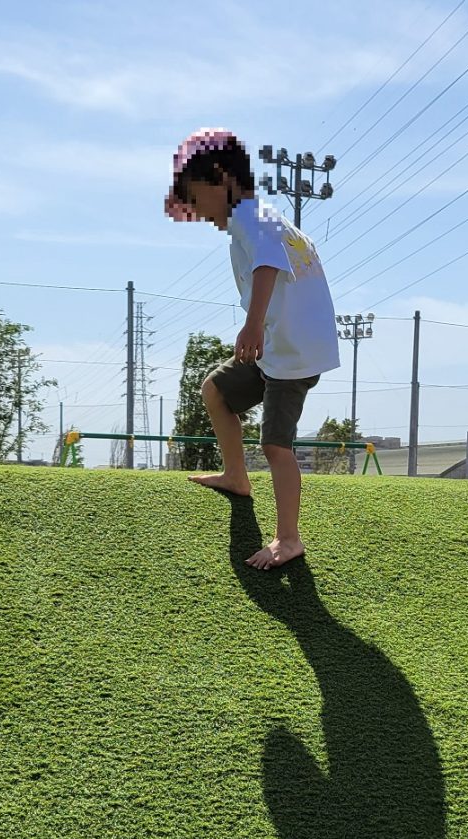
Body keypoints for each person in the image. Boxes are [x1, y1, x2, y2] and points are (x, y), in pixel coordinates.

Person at [165, 128, 340, 569]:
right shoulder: (264, 218)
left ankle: (288, 539)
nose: (198, 211)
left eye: (197, 197)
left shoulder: (251, 216)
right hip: (282, 347)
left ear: (222, 179)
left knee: (277, 445)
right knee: (216, 390)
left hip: (290, 353)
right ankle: (237, 477)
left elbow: (267, 264)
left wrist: (252, 324)